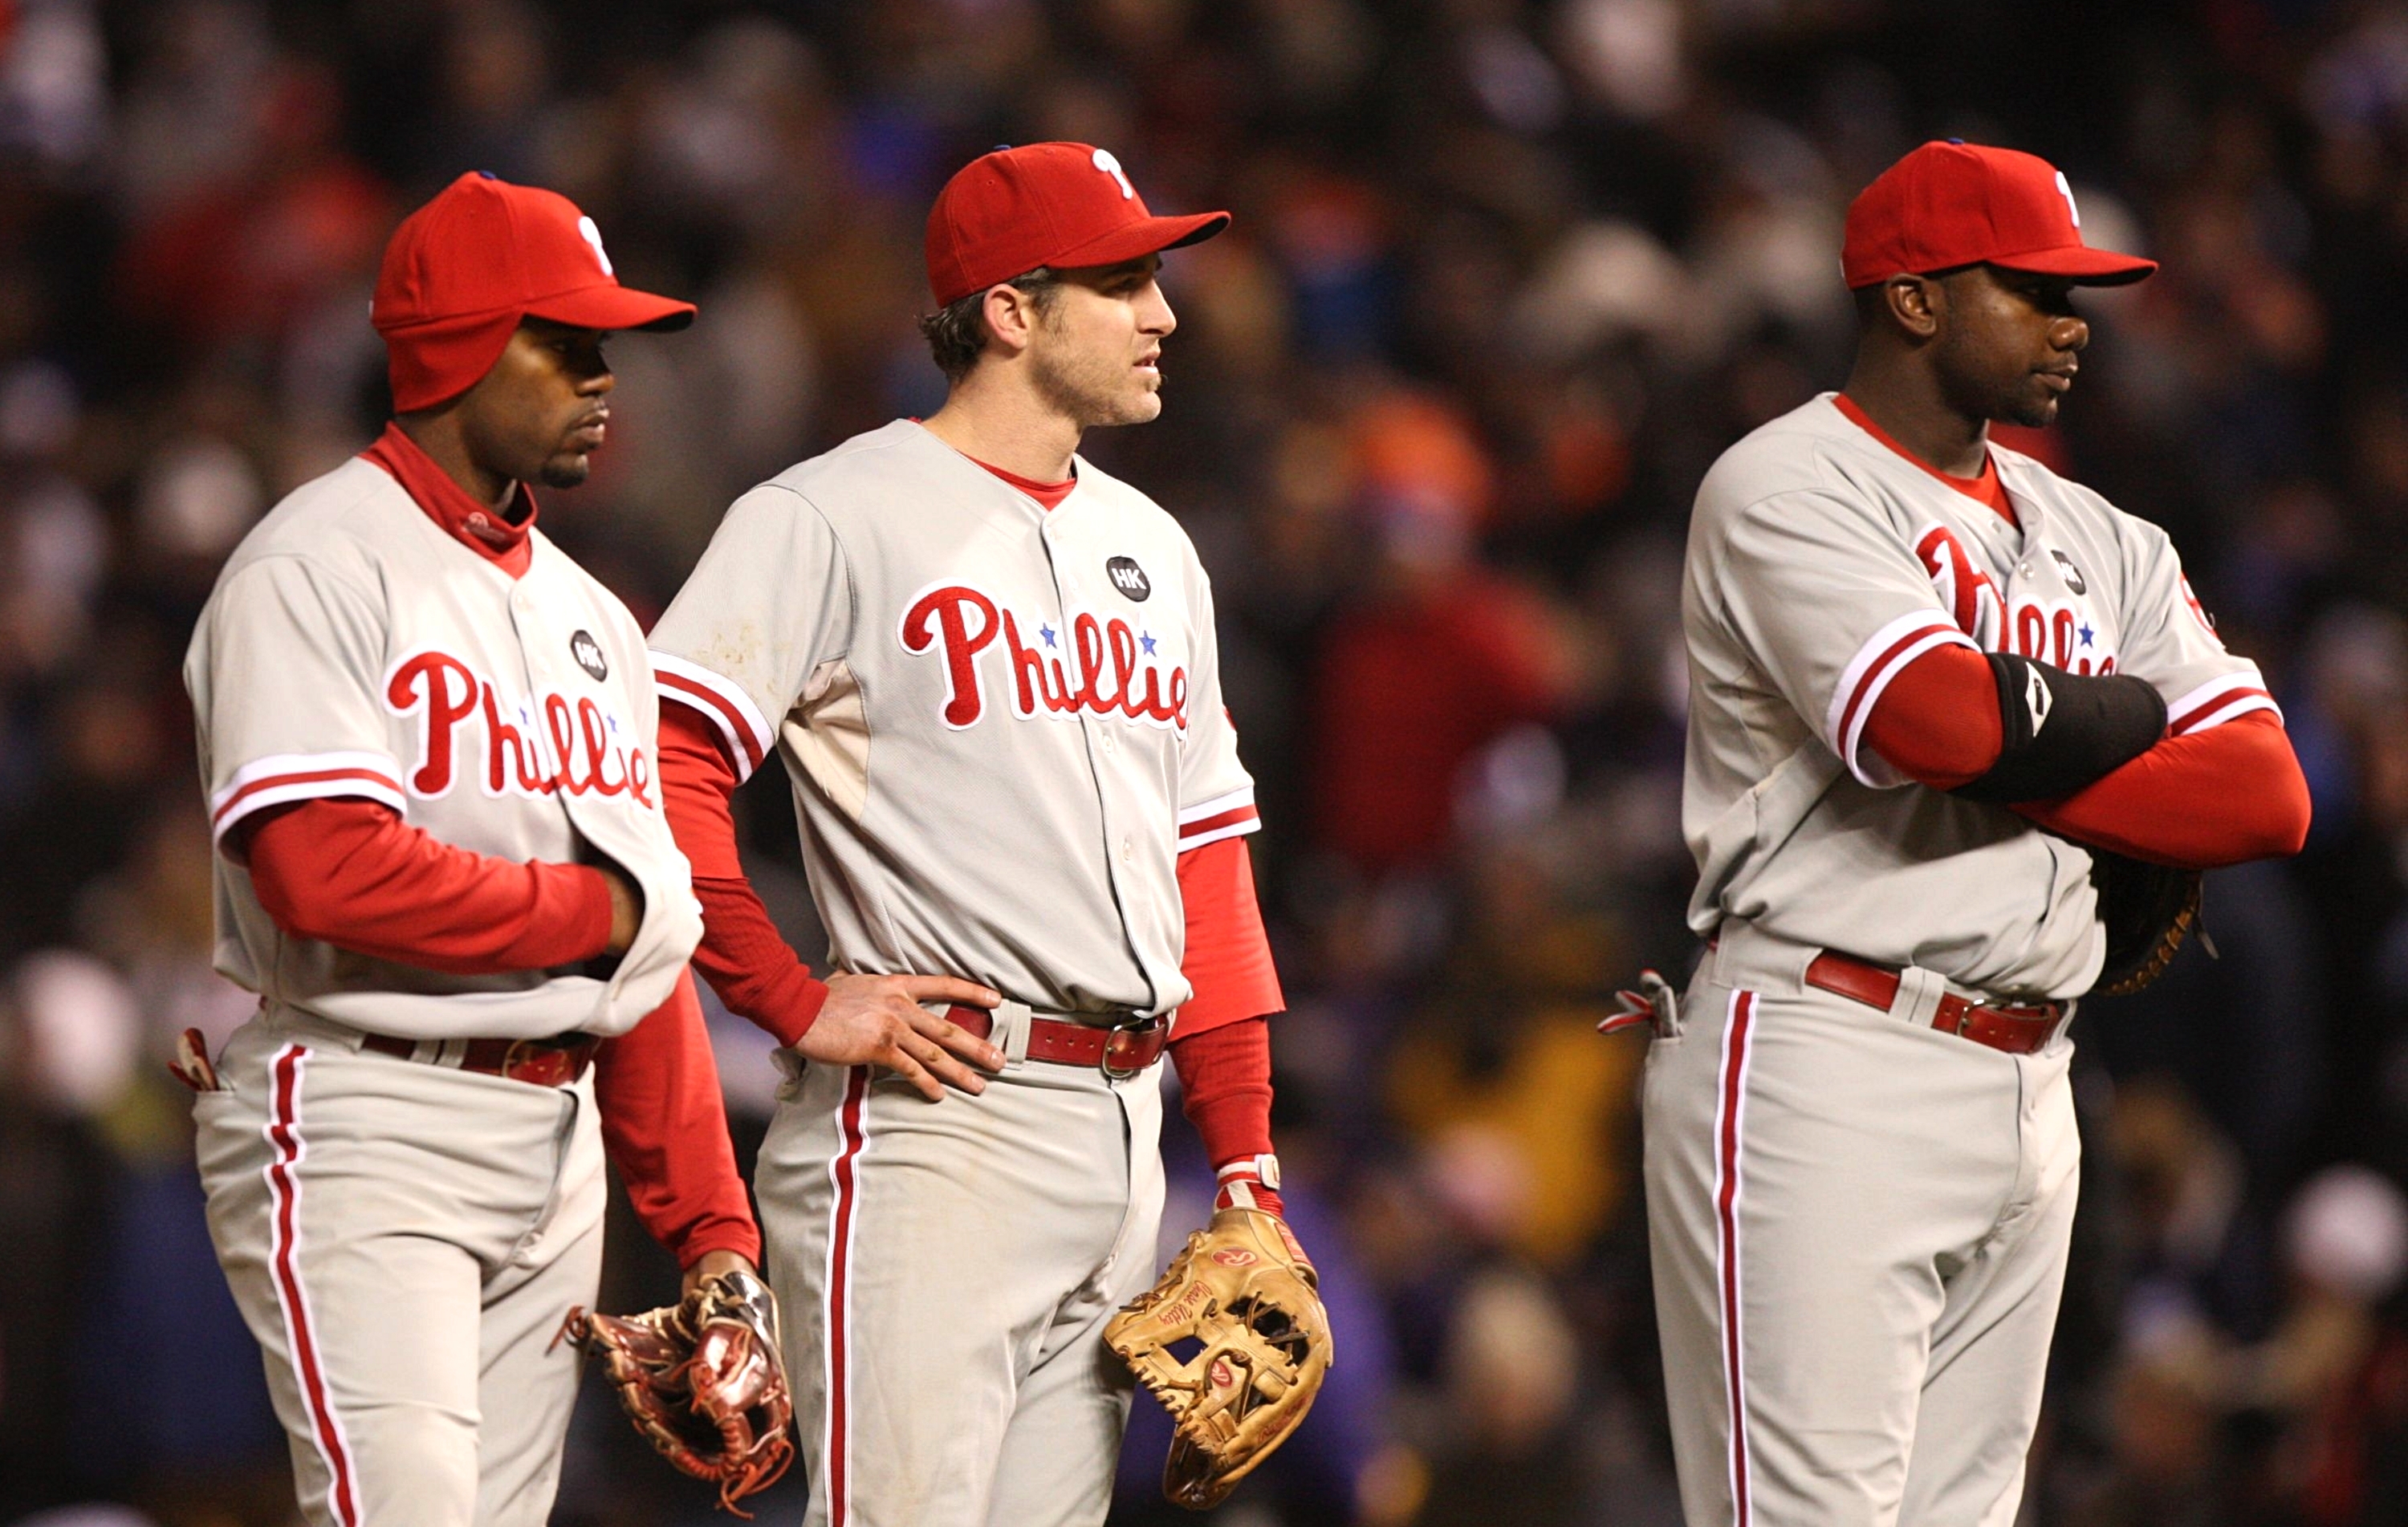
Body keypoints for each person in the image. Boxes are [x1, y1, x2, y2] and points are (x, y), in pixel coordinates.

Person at [1641, 140, 2314, 1527]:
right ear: (1914, 297)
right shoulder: (1788, 483)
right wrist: (2125, 716)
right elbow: (1934, 722)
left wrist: (2022, 735)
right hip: (1828, 1053)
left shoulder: (2101, 532)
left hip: (2035, 1073)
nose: (2075, 324)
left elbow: (2266, 797)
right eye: (2033, 288)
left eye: (2081, 295)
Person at [645, 141, 1292, 1527]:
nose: (1164, 313)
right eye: (1124, 282)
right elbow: (655, 763)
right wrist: (790, 996)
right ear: (1011, 310)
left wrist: (1245, 1164)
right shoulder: (830, 514)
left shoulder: (1156, 550)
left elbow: (1208, 860)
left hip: (1128, 1134)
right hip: (943, 1128)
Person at [180, 172, 767, 1527]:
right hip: (367, 1117)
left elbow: (651, 955)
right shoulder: (314, 566)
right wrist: (598, 915)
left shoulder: (595, 618)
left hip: (556, 1148)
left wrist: (714, 1235)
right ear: (455, 348)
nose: (603, 372)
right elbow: (323, 871)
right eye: (563, 341)